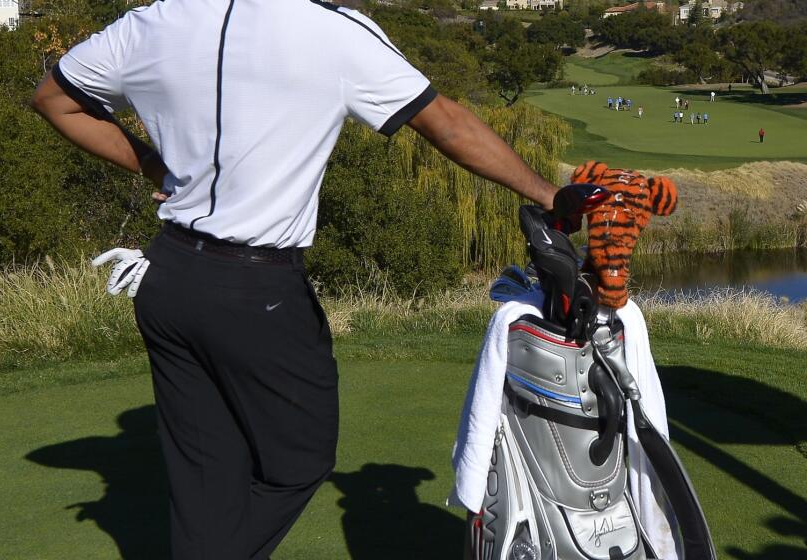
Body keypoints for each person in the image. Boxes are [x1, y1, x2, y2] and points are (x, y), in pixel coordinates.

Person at [28, 2, 560, 559]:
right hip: (256, 290)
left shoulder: (152, 21)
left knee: (204, 484)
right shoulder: (332, 30)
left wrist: (154, 166)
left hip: (170, 277)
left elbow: (53, 99)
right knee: (298, 461)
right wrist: (549, 194)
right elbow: (445, 121)